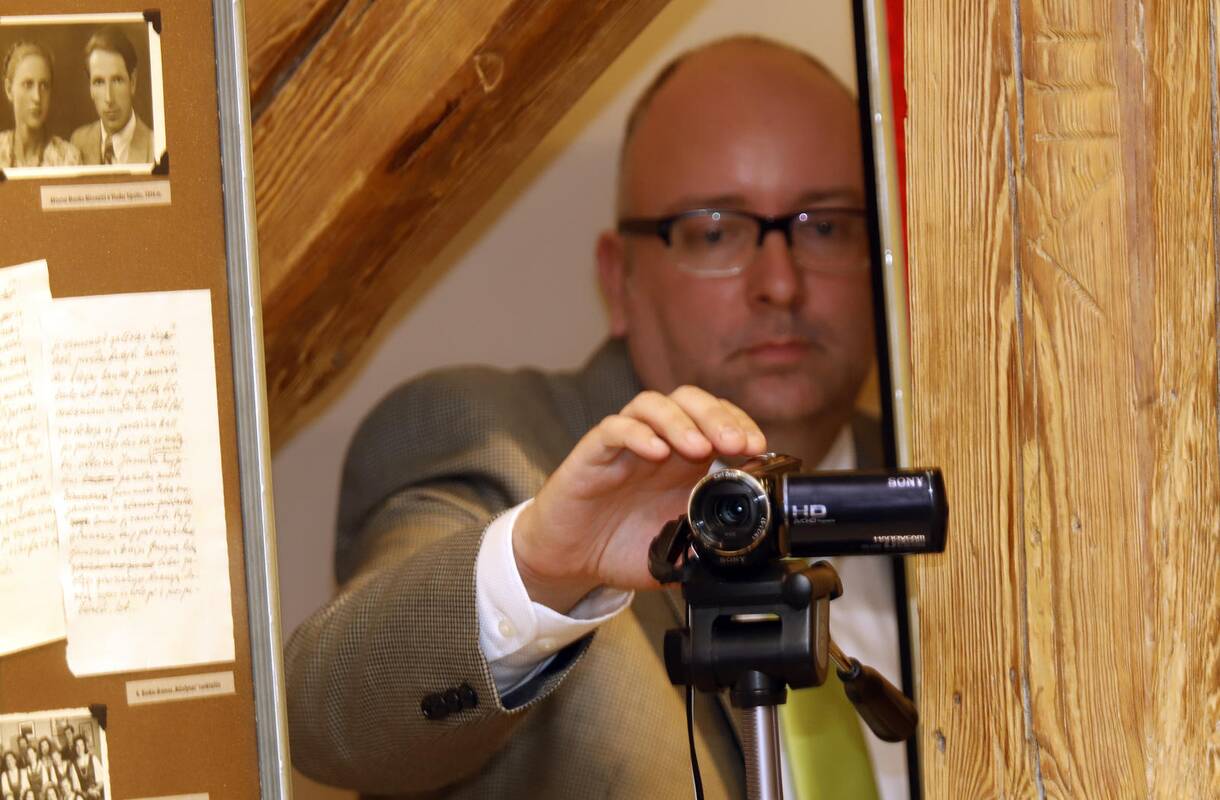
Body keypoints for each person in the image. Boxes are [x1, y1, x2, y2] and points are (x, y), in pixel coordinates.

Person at [286, 36, 905, 798]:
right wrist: (541, 571)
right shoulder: (500, 451)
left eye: (826, 226)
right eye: (715, 230)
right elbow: (327, 716)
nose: (781, 282)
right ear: (620, 280)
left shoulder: (940, 489)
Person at [69, 26, 153, 166]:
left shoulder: (155, 147)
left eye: (117, 80)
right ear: (90, 87)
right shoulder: (78, 143)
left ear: (132, 82)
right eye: (99, 82)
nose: (109, 98)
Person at [0, 41, 81, 168]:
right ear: (9, 89)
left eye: (44, 86)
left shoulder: (67, 158)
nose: (37, 97)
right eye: (28, 84)